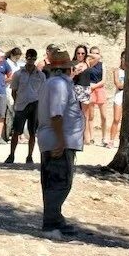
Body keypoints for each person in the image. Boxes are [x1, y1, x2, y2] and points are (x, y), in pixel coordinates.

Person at [36, 49, 85, 235]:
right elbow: (56, 114)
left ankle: (55, 218)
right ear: (66, 69)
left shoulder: (53, 83)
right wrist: (61, 141)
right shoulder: (59, 85)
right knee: (59, 181)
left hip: (55, 138)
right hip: (59, 139)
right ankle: (52, 221)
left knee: (54, 181)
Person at [5, 48, 45, 164]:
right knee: (16, 131)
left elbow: (43, 91)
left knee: (32, 132)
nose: (31, 60)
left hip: (35, 104)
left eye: (33, 58)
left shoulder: (40, 75)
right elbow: (14, 90)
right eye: (29, 57)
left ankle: (29, 156)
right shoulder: (18, 74)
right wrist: (17, 102)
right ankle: (11, 155)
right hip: (21, 105)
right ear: (26, 58)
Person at [70, 45, 93, 143]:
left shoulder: (87, 63)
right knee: (74, 113)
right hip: (76, 88)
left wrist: (88, 54)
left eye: (82, 53)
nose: (80, 55)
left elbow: (98, 57)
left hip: (85, 89)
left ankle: (85, 137)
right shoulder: (72, 63)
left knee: (85, 114)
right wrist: (75, 73)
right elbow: (69, 78)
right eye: (78, 53)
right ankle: (75, 136)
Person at [86, 46, 107, 146]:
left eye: (97, 53)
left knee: (104, 116)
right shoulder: (88, 64)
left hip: (99, 88)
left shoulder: (102, 65)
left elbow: (103, 80)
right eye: (93, 53)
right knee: (91, 115)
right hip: (90, 89)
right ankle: (91, 137)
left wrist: (94, 86)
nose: (95, 55)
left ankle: (104, 137)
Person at [107, 51, 126, 148]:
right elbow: (118, 85)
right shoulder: (117, 71)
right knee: (116, 119)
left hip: (128, 97)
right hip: (119, 96)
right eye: (124, 58)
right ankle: (111, 140)